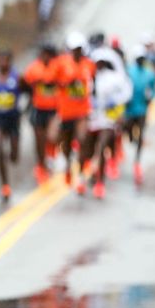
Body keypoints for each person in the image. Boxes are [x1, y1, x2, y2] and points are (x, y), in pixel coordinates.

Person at [85, 57, 132, 199]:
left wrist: (116, 104)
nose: (99, 66)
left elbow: (125, 93)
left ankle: (100, 183)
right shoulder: (87, 76)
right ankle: (92, 173)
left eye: (101, 64)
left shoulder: (114, 78)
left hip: (107, 121)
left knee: (101, 147)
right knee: (88, 150)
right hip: (91, 120)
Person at [55, 32, 95, 190]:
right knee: (66, 144)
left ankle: (81, 175)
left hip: (82, 111)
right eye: (74, 49)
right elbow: (54, 81)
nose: (77, 52)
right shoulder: (61, 64)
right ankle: (67, 167)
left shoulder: (89, 65)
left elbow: (94, 83)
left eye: (79, 49)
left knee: (83, 138)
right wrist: (67, 82)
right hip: (66, 112)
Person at [0, 49, 23, 200]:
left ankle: (13, 154)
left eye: (5, 60)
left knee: (14, 156)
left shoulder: (17, 78)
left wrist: (23, 111)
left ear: (10, 61)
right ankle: (5, 185)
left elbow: (29, 92)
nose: (2, 63)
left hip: (13, 120)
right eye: (0, 60)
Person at [21, 43, 61, 184]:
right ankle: (41, 165)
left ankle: (51, 153)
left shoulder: (58, 66)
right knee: (39, 138)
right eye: (42, 53)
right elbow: (25, 83)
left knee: (52, 136)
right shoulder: (34, 68)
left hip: (54, 109)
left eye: (47, 54)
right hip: (38, 108)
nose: (44, 57)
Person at [123, 46, 155, 184]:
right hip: (129, 110)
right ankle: (133, 140)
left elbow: (153, 90)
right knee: (128, 133)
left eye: (142, 58)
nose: (141, 60)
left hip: (142, 110)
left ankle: (137, 162)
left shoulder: (150, 74)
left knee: (141, 134)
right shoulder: (128, 71)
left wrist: (150, 97)